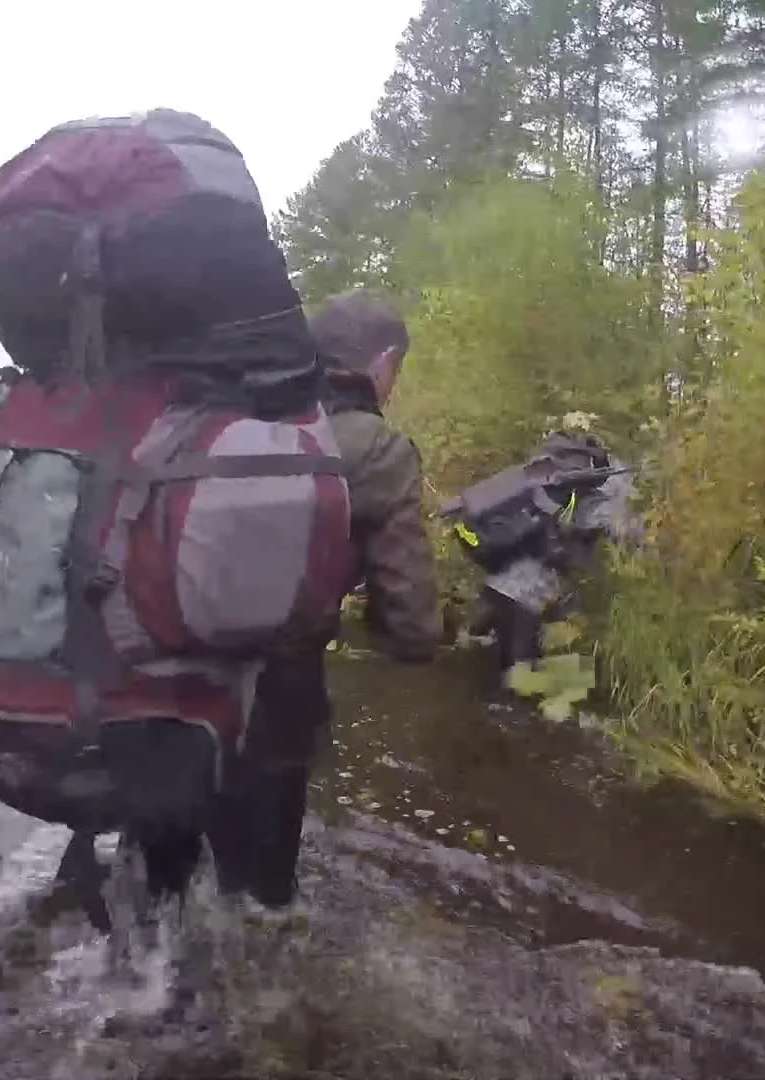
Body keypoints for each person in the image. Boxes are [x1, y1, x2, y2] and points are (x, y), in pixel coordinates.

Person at [0, 110, 354, 934]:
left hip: (2, 735)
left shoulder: (16, 421)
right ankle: (239, 935)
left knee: (155, 829)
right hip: (157, 745)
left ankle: (129, 922)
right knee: (246, 854)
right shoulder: (239, 438)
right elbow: (299, 608)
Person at [203, 288, 444, 919]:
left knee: (181, 853)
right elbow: (413, 624)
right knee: (263, 903)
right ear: (383, 363)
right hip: (281, 684)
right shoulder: (376, 448)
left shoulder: (231, 418)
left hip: (175, 663)